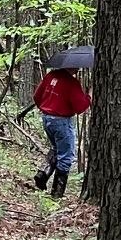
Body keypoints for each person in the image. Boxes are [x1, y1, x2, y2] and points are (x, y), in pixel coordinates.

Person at [30, 63, 90, 198]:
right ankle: (57, 193)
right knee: (66, 156)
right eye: (76, 66)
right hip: (62, 121)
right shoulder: (71, 83)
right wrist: (89, 96)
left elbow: (37, 97)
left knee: (56, 149)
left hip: (47, 119)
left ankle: (43, 174)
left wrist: (47, 107)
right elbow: (80, 107)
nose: (78, 69)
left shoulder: (50, 76)